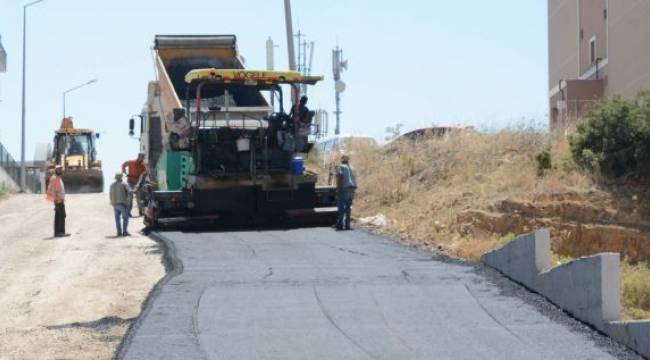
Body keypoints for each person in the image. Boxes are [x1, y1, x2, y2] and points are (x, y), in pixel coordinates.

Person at [46, 165, 69, 237]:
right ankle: (60, 232)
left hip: (60, 200)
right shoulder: (54, 178)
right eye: (59, 169)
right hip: (58, 201)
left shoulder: (58, 178)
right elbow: (53, 190)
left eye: (61, 169)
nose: (60, 171)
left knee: (59, 216)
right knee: (61, 216)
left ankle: (58, 233)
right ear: (56, 170)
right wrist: (55, 201)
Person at [335, 154, 357, 231]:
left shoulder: (340, 167)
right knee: (348, 208)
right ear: (348, 160)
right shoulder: (353, 168)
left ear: (342, 159)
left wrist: (338, 189)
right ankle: (347, 225)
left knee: (341, 207)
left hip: (344, 189)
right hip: (352, 189)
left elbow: (340, 176)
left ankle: (340, 225)